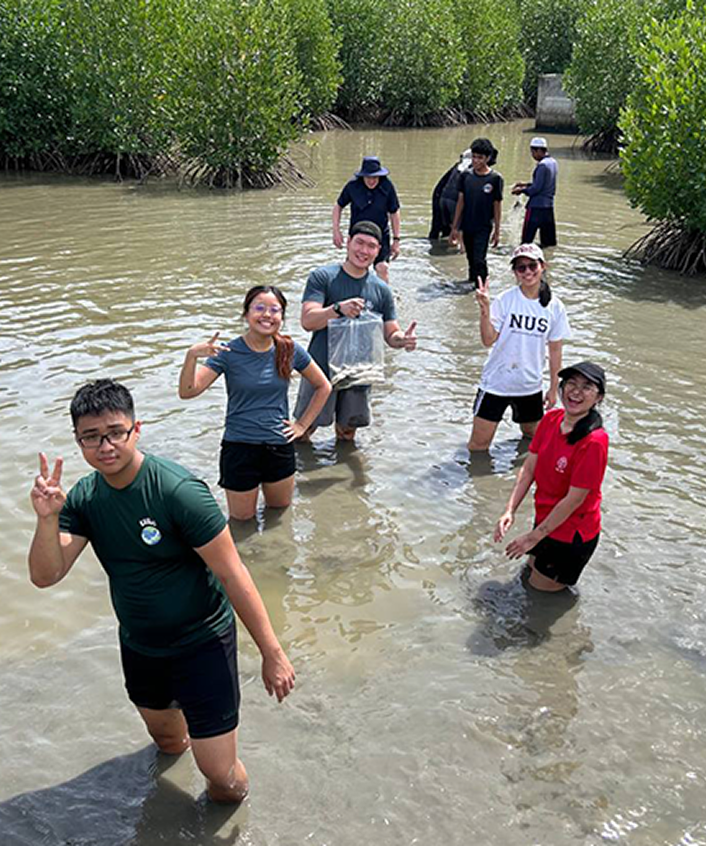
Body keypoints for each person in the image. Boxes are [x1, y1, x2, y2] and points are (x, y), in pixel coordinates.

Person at [28, 379, 296, 803]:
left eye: (115, 432)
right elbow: (47, 575)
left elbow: (233, 574)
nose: (105, 446)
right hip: (141, 646)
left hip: (202, 643)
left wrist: (272, 652)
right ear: (78, 441)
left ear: (137, 430)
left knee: (222, 778)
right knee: (169, 743)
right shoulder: (84, 498)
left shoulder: (177, 491)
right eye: (91, 437)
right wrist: (46, 519)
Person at [178, 286, 332, 520]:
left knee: (280, 520)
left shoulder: (289, 350)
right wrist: (192, 356)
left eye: (274, 310)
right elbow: (188, 391)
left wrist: (301, 425)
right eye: (259, 308)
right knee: (242, 524)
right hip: (240, 448)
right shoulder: (228, 351)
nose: (267, 315)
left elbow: (324, 386)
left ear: (281, 317)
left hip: (279, 446)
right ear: (246, 313)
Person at [295, 219, 418, 443]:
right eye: (359, 243)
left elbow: (391, 333)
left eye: (371, 246)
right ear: (348, 242)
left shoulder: (381, 290)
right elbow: (308, 321)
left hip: (360, 371)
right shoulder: (323, 277)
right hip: (321, 368)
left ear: (378, 251)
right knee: (303, 431)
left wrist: (403, 340)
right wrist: (337, 309)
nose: (363, 251)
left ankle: (342, 477)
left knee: (347, 433)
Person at [493, 362, 609, 592]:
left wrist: (533, 537)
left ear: (598, 397)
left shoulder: (594, 441)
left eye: (586, 387)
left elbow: (574, 499)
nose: (576, 392)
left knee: (541, 597)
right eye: (571, 384)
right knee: (528, 577)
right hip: (546, 520)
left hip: (570, 533)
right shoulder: (551, 419)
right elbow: (529, 468)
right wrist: (510, 510)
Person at [469, 243, 570, 451]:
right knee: (478, 446)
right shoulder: (505, 300)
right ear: (515, 272)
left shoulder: (555, 307)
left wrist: (553, 388)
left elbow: (555, 350)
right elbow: (488, 340)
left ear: (543, 266)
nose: (527, 272)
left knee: (532, 440)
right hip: (496, 383)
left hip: (529, 385)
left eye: (532, 266)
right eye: (521, 268)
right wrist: (485, 309)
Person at [333, 155, 402, 284]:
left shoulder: (387, 186)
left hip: (380, 235)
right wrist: (336, 231)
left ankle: (385, 298)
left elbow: (394, 212)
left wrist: (396, 240)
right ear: (362, 175)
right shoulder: (352, 186)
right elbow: (338, 206)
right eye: (368, 177)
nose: (372, 181)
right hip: (358, 235)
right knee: (355, 269)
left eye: (375, 177)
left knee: (382, 268)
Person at [450, 137, 504, 285]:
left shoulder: (495, 179)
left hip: (484, 226)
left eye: (480, 158)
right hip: (468, 224)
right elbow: (461, 201)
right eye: (474, 156)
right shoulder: (466, 176)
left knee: (479, 259)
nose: (475, 160)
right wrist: (455, 227)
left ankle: (482, 287)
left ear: (488, 158)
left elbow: (497, 205)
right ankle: (472, 283)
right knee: (470, 258)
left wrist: (497, 230)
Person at [512, 136, 558, 248]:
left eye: (533, 152)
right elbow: (543, 185)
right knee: (548, 243)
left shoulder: (542, 165)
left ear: (538, 150)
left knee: (526, 242)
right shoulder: (553, 162)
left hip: (536, 208)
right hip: (548, 208)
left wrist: (522, 191)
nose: (532, 155)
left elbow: (536, 189)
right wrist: (525, 184)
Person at [428, 148, 472, 241]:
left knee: (443, 230)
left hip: (442, 198)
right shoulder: (470, 170)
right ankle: (459, 254)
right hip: (451, 200)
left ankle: (438, 247)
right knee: (459, 232)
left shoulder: (456, 168)